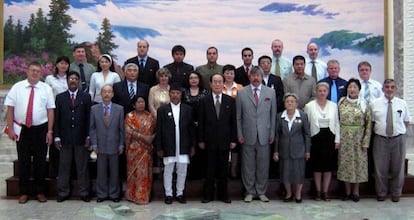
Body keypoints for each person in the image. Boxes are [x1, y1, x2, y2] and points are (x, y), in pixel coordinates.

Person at [4, 61, 55, 204]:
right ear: (27, 71)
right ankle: (24, 192)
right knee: (24, 161)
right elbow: (10, 109)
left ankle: (40, 192)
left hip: (41, 129)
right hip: (22, 130)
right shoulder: (17, 87)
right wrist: (10, 129)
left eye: (37, 71)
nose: (35, 73)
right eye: (32, 70)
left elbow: (51, 110)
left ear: (41, 73)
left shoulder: (46, 88)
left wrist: (50, 131)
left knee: (40, 162)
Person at [236, 66, 276, 203]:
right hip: (247, 135)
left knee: (263, 165)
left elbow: (273, 115)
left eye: (258, 75)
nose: (256, 78)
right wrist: (240, 133)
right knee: (248, 165)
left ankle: (261, 191)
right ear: (249, 77)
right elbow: (238, 116)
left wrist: (272, 133)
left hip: (265, 135)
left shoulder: (270, 92)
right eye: (253, 75)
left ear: (262, 76)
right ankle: (249, 192)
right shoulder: (241, 93)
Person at [198, 73, 237, 204]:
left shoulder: (230, 101)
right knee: (209, 170)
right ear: (210, 84)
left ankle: (223, 195)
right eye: (215, 81)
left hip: (225, 142)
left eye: (220, 81)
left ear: (223, 84)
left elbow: (233, 122)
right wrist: (201, 140)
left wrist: (233, 139)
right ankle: (208, 195)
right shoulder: (204, 101)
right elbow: (201, 122)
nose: (217, 84)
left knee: (223, 170)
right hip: (209, 142)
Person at [54, 71, 92, 203]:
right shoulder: (60, 98)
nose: (73, 81)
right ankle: (63, 192)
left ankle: (84, 192)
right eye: (71, 78)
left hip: (81, 138)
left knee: (82, 167)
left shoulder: (86, 97)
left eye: (76, 79)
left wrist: (88, 136)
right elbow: (57, 119)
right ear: (67, 81)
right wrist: (57, 137)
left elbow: (88, 118)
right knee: (64, 167)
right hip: (64, 139)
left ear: (79, 81)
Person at [155, 84, 196, 205]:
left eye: (177, 93)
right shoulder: (162, 110)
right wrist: (159, 147)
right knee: (168, 170)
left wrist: (193, 145)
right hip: (169, 146)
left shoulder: (188, 109)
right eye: (173, 93)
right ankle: (168, 194)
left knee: (182, 170)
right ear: (169, 94)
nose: (175, 95)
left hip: (184, 145)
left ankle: (180, 193)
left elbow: (192, 129)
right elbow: (159, 130)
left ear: (181, 95)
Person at [371, 79, 410, 202]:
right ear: (383, 89)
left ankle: (396, 193)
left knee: (398, 168)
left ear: (396, 89)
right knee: (380, 168)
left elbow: (406, 121)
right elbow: (371, 122)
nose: (389, 89)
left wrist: (397, 131)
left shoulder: (402, 103)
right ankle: (381, 192)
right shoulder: (374, 103)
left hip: (398, 139)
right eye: (387, 87)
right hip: (380, 139)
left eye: (392, 87)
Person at [337, 78, 372, 202]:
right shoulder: (342, 102)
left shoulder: (364, 104)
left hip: (359, 139)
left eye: (355, 87)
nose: (352, 89)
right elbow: (337, 122)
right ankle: (347, 192)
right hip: (345, 139)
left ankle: (356, 191)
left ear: (359, 89)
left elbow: (368, 125)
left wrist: (365, 142)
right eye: (350, 87)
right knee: (346, 164)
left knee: (358, 164)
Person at [304, 82, 340, 201]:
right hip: (316, 138)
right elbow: (307, 126)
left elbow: (337, 123)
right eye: (320, 91)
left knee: (328, 167)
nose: (322, 93)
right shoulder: (309, 106)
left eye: (324, 91)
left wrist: (337, 139)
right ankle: (318, 192)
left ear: (327, 92)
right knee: (317, 167)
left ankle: (325, 192)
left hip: (330, 138)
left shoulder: (333, 105)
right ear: (316, 92)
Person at [89, 85, 124, 203]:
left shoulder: (119, 109)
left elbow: (121, 129)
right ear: (101, 94)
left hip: (114, 145)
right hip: (100, 145)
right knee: (101, 171)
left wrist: (121, 144)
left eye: (109, 92)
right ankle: (102, 194)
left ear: (113, 94)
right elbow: (92, 128)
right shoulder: (94, 109)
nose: (107, 94)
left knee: (115, 172)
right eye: (104, 92)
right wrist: (94, 144)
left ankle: (114, 194)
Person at [274, 93, 311, 203]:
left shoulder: (302, 116)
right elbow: (277, 135)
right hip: (284, 149)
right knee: (285, 173)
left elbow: (307, 134)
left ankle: (298, 194)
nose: (290, 103)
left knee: (298, 173)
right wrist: (275, 151)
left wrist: (307, 150)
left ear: (296, 104)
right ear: (284, 104)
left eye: (292, 101)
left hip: (299, 149)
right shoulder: (280, 116)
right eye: (287, 101)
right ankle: (289, 193)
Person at [124, 96, 156, 204]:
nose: (141, 104)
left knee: (145, 173)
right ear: (134, 104)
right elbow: (128, 131)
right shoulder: (129, 116)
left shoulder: (150, 116)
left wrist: (151, 138)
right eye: (138, 102)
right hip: (133, 149)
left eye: (142, 102)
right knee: (134, 173)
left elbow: (155, 130)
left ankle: (143, 197)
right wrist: (143, 137)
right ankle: (132, 196)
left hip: (146, 150)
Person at [45, 55, 71, 178]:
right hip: (54, 112)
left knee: (66, 141)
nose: (63, 65)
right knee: (55, 140)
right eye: (61, 63)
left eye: (66, 63)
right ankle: (54, 171)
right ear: (56, 65)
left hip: (68, 112)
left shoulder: (71, 78)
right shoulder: (50, 79)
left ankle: (68, 172)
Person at [181, 71, 210, 180]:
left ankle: (201, 174)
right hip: (187, 126)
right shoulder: (183, 92)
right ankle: (189, 175)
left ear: (199, 80)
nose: (193, 80)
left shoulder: (206, 92)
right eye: (191, 78)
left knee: (201, 150)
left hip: (202, 126)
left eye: (196, 78)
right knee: (189, 149)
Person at [222, 64, 243, 178]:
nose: (229, 75)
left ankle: (234, 169)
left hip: (236, 120)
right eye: (227, 73)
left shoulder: (240, 87)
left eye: (231, 73)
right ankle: (224, 169)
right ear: (223, 74)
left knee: (235, 146)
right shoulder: (219, 87)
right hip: (222, 122)